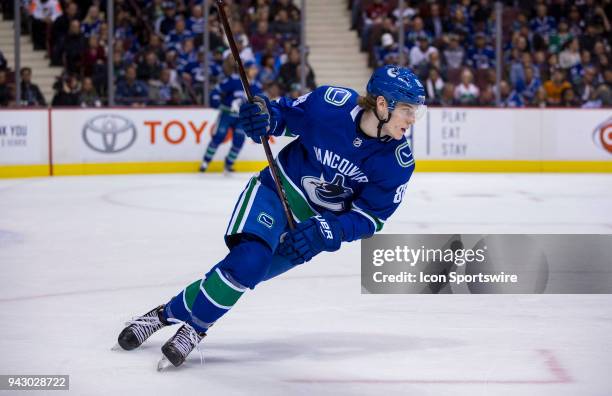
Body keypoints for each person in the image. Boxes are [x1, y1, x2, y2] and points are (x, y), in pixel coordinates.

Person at [115, 65, 426, 369]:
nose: (412, 120)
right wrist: (263, 116)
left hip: (312, 228)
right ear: (383, 104)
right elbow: (282, 117)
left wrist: (328, 232)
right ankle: (194, 330)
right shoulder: (331, 104)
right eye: (408, 110)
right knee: (248, 261)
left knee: (243, 275)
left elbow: (370, 218)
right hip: (276, 192)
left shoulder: (398, 162)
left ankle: (159, 316)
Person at [199, 59, 263, 173]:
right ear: (246, 70)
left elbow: (259, 102)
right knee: (219, 136)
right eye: (253, 69)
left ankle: (229, 164)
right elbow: (216, 92)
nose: (255, 71)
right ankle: (205, 162)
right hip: (227, 114)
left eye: (255, 69)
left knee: (239, 140)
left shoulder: (256, 86)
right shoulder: (233, 81)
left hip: (242, 118)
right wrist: (218, 104)